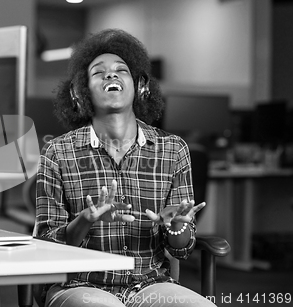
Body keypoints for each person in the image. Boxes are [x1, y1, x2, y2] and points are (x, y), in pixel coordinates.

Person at [33, 29, 212, 307]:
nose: (111, 75)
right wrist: (85, 221)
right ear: (81, 91)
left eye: (121, 70)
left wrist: (177, 227)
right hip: (81, 285)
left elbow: (183, 247)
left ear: (140, 86)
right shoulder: (58, 152)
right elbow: (44, 247)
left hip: (151, 284)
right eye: (98, 72)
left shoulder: (173, 149)